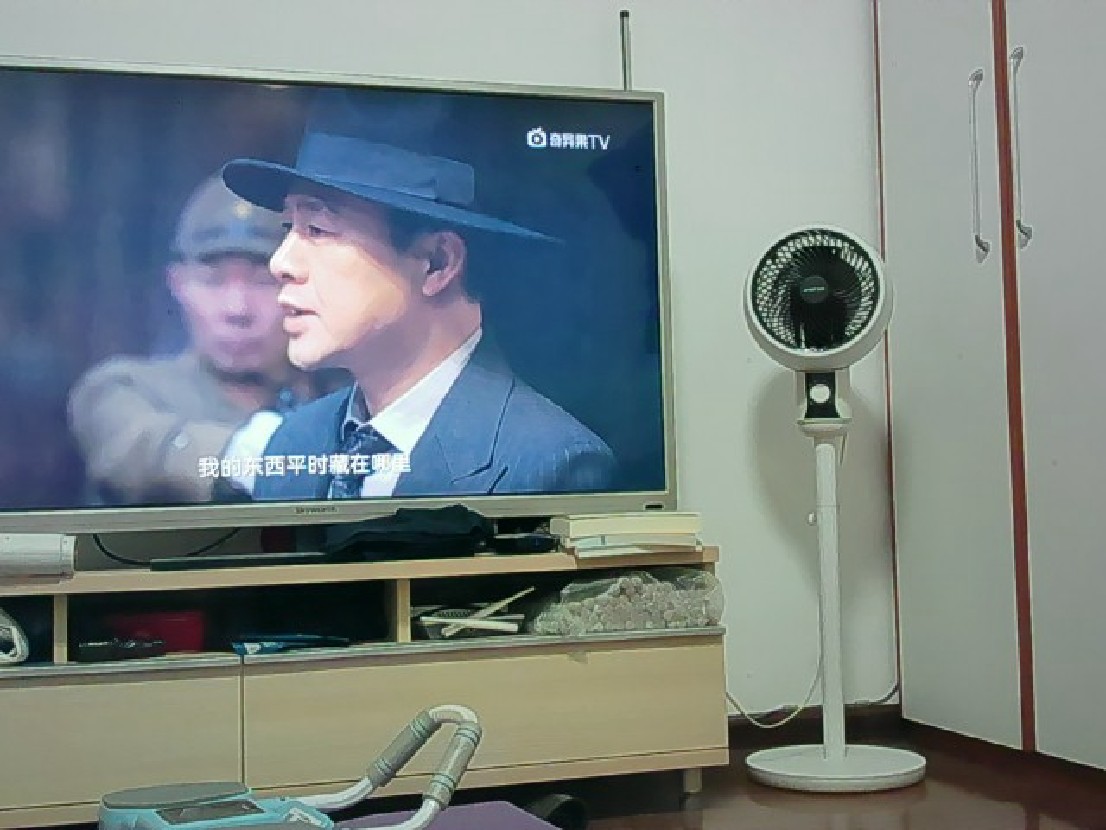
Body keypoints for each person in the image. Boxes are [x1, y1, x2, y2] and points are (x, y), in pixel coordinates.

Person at [218, 90, 617, 501]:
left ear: (436, 262)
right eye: (289, 228)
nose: (280, 262)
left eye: (317, 229)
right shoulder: (293, 440)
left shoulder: (548, 464)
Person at [68, 173, 331, 505]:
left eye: (263, 282)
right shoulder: (123, 388)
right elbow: (136, 448)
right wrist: (266, 457)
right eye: (212, 281)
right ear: (178, 285)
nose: (237, 309)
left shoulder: (343, 396)